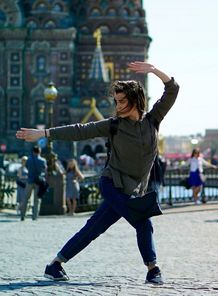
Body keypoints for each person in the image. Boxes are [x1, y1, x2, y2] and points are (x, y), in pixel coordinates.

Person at [16, 61, 179, 284]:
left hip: (133, 189)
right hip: (112, 184)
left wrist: (153, 71)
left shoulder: (153, 120)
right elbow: (80, 130)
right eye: (116, 101)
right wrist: (44, 133)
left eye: (122, 100)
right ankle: (153, 269)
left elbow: (172, 89)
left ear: (135, 100)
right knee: (143, 221)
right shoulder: (113, 125)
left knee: (94, 228)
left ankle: (55, 265)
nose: (118, 105)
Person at [20, 146, 47, 221]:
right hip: (38, 181)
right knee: (37, 200)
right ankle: (34, 216)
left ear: (33, 151)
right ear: (39, 151)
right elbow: (45, 170)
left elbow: (27, 167)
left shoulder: (29, 159)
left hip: (30, 180)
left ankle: (23, 215)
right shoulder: (43, 160)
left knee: (26, 198)